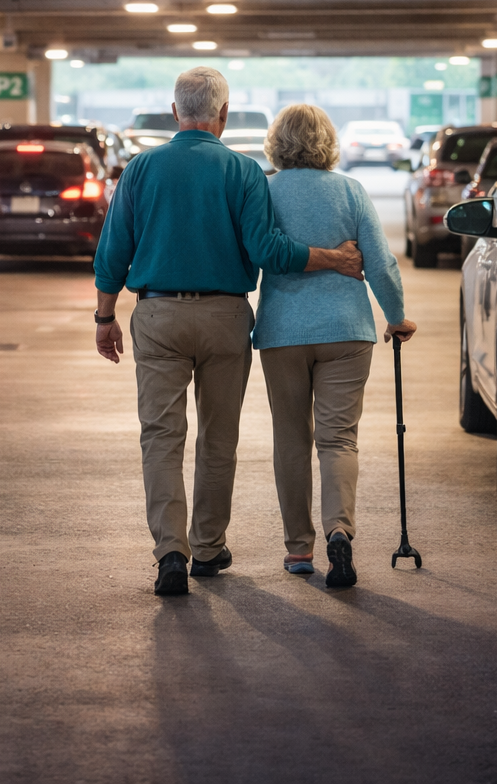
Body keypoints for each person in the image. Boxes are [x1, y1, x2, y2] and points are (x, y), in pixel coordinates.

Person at [92, 66, 365, 597]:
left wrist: (105, 316)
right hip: (226, 317)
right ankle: (209, 548)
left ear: (176, 113)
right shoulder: (242, 173)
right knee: (219, 439)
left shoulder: (140, 169)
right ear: (222, 114)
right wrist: (331, 257)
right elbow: (268, 251)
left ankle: (171, 550)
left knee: (161, 438)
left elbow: (112, 253)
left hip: (158, 315)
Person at [253, 104, 416, 589]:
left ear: (276, 142)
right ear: (328, 142)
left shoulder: (264, 190)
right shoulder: (350, 190)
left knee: (291, 437)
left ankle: (299, 548)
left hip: (283, 331)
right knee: (338, 438)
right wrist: (396, 316)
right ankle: (339, 530)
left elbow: (256, 251)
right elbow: (381, 263)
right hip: (347, 330)